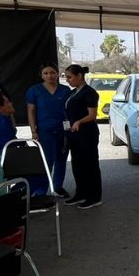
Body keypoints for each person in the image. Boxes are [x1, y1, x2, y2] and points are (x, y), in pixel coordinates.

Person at [26, 62, 72, 197]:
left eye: (52, 72)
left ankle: (58, 187)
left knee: (61, 159)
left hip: (63, 129)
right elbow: (31, 111)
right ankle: (42, 190)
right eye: (46, 73)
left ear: (58, 74)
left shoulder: (65, 90)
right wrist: (33, 131)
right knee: (46, 160)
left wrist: (69, 130)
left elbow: (69, 111)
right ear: (41, 75)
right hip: (44, 130)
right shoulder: (34, 90)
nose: (49, 75)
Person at [63, 64, 102, 209]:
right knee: (77, 165)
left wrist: (79, 121)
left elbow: (92, 115)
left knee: (90, 165)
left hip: (87, 134)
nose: (67, 80)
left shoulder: (89, 93)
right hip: (74, 134)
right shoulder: (73, 92)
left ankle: (94, 196)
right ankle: (81, 193)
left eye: (69, 77)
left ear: (79, 76)